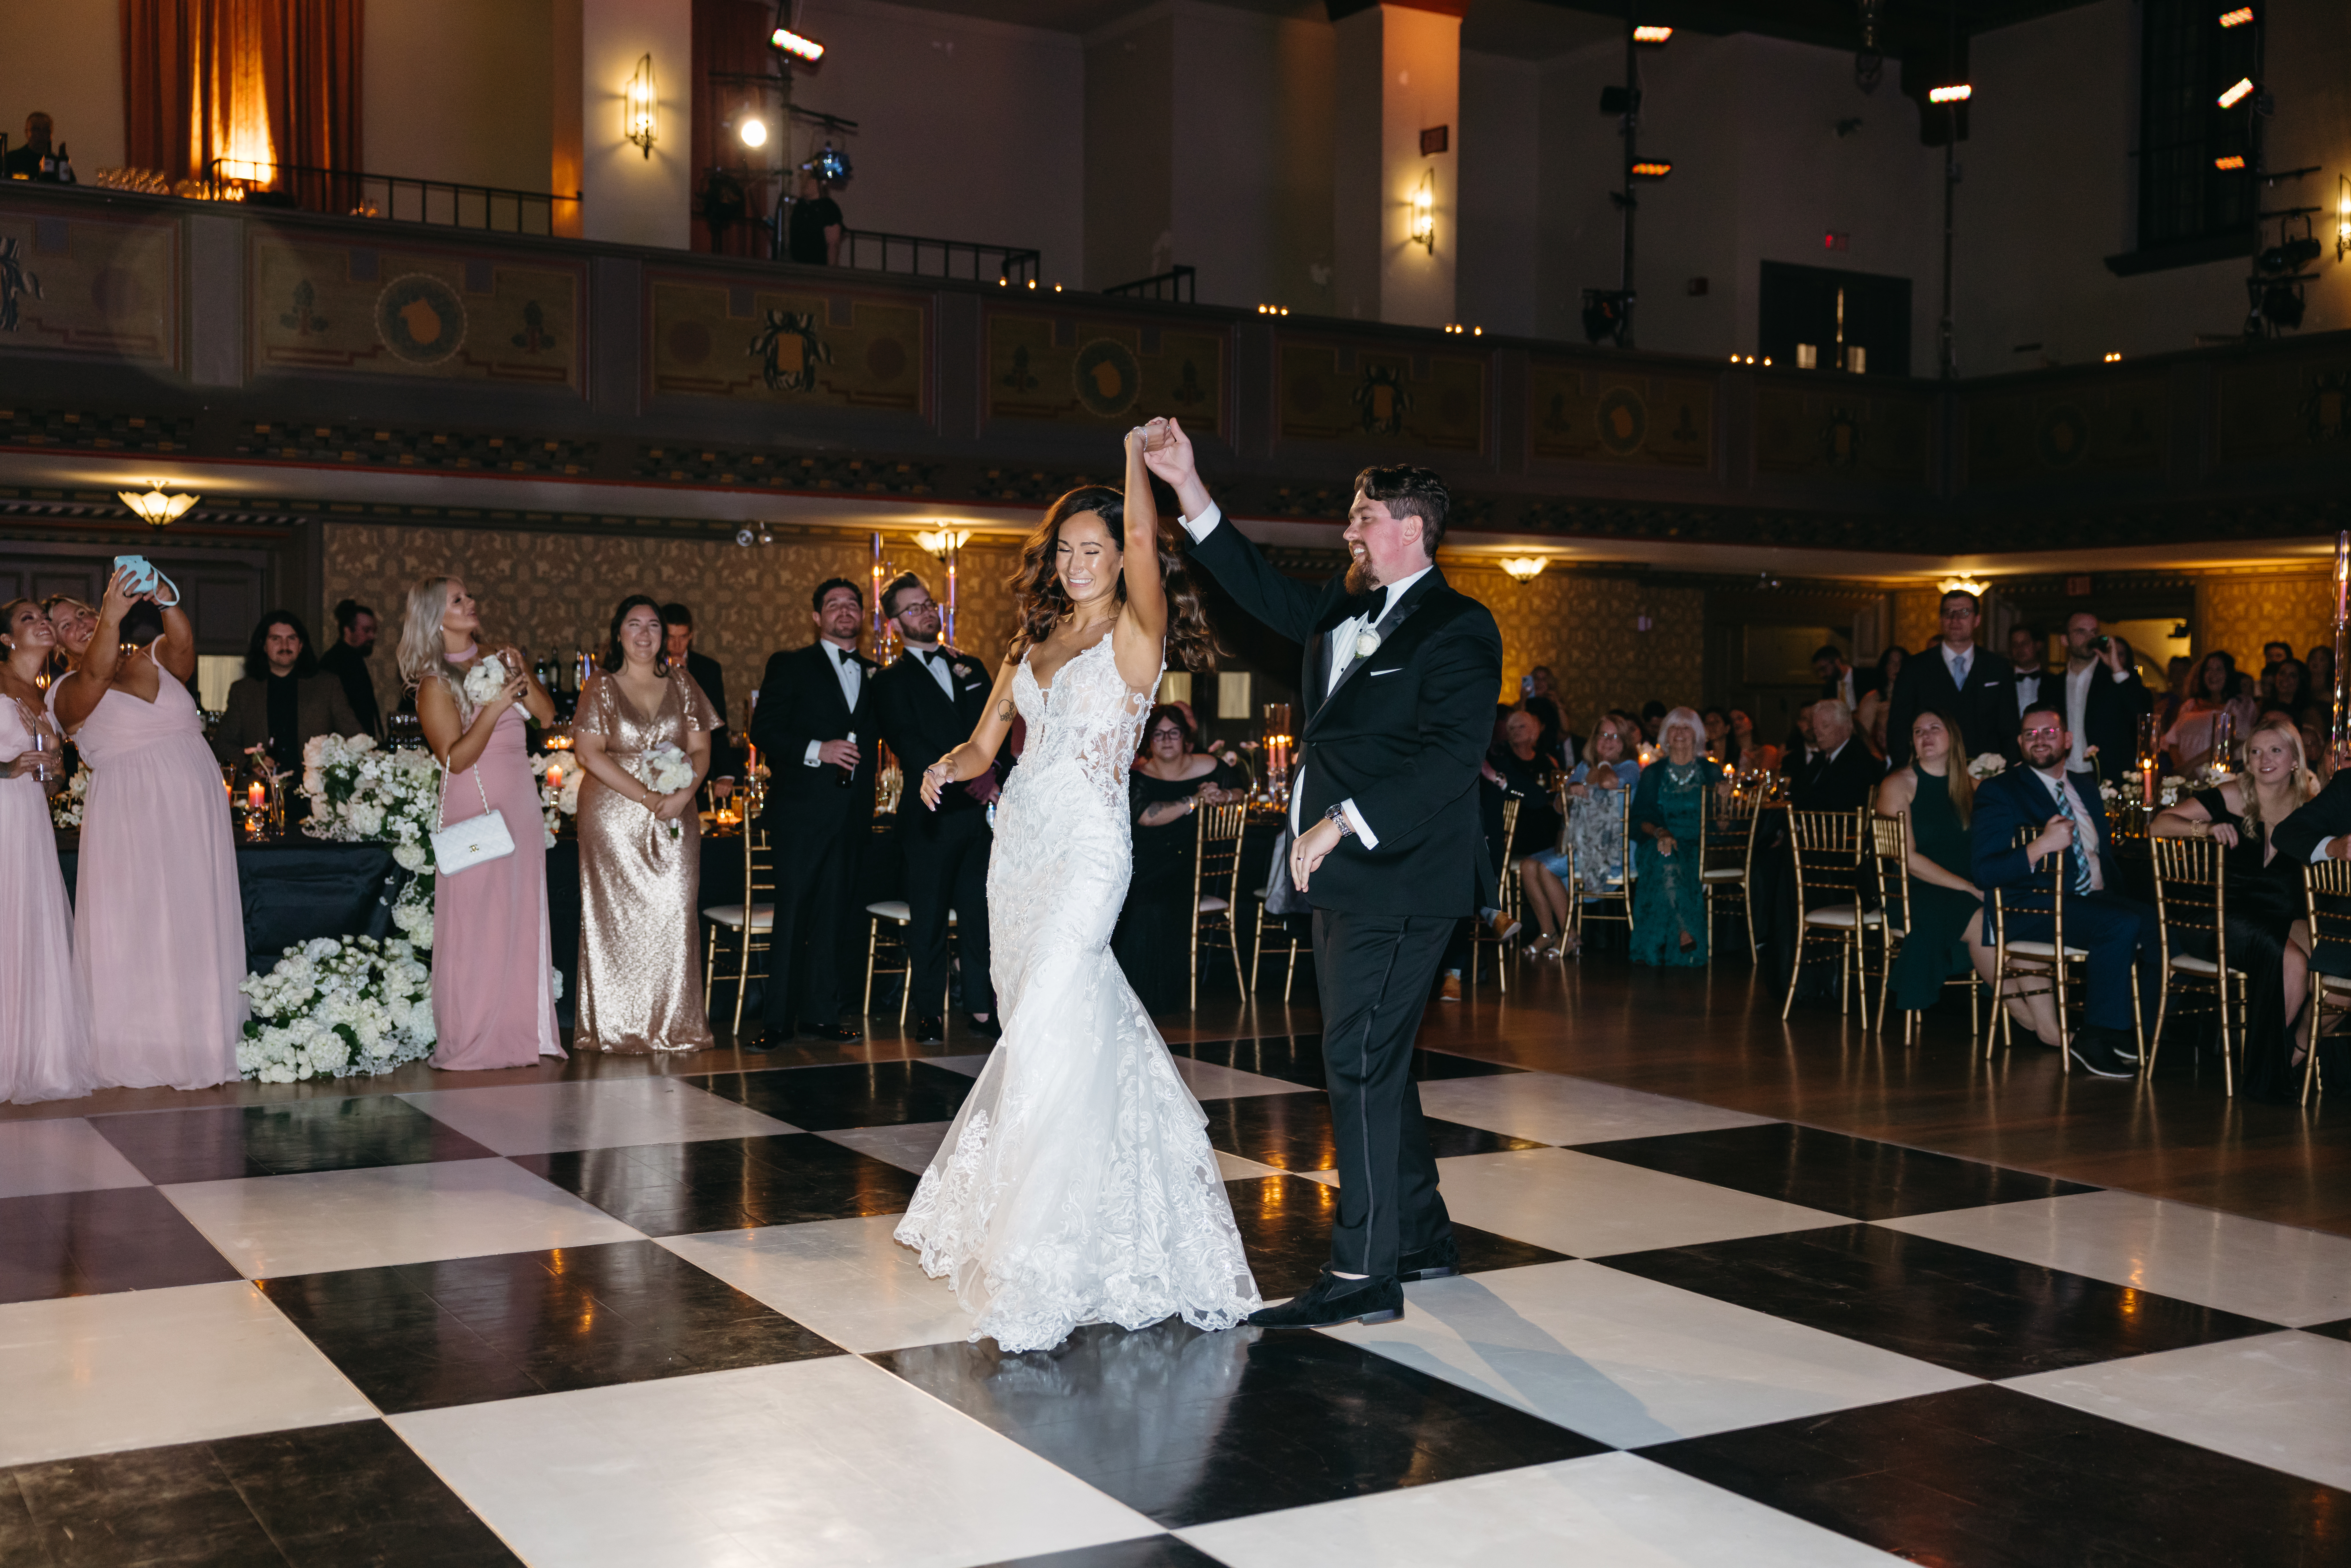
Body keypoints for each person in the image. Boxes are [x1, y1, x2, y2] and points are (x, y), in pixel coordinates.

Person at [895, 426, 1260, 1353]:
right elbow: (986, 743)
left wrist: (1136, 465)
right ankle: (1098, 1228)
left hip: (1092, 850)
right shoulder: (1035, 638)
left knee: (1058, 1013)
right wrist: (944, 766)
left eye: (1094, 547)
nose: (1080, 560)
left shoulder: (1139, 635)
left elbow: (1146, 543)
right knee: (1050, 1029)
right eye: (1066, 548)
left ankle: (1045, 1259)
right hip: (1017, 847)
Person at [1147, 419, 1500, 1332]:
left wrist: (1340, 822)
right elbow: (1253, 579)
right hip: (1344, 876)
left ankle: (1362, 1274)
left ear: (1412, 531)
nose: (1350, 531)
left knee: (1355, 1060)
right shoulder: (1344, 613)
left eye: (1365, 517)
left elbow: (1448, 759)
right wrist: (1189, 485)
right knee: (1375, 1057)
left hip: (1405, 875)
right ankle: (1418, 1236)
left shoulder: (1460, 627)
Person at [51, 567, 246, 1089]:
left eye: (84, 613)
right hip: (131, 814)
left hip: (195, 804)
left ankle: (202, 1039)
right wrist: (110, 618)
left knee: (194, 911)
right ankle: (138, 1046)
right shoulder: (64, 692)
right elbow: (94, 681)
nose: (79, 623)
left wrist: (166, 599)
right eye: (65, 624)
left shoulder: (146, 657)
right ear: (55, 647)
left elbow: (183, 653)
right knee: (139, 919)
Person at [404, 575, 564, 1070]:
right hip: (473, 808)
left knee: (519, 916)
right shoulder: (434, 682)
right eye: (458, 600)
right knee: (478, 923)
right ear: (436, 616)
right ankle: (474, 1033)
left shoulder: (498, 660)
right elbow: (455, 758)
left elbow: (547, 715)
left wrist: (521, 672)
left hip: (519, 804)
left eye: (469, 596)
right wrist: (493, 708)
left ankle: (522, 1030)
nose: (471, 603)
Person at [1970, 704, 2159, 1078]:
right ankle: (2094, 1036)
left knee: (2156, 922)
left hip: (2090, 899)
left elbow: (2100, 852)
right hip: (2031, 908)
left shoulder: (2085, 787)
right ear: (2020, 743)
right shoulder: (2000, 791)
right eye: (2030, 734)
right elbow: (1983, 871)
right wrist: (2040, 846)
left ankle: (2135, 1031)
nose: (2039, 740)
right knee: (2119, 925)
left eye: (2049, 733)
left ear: (2068, 740)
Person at [568, 594, 718, 1055]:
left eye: (653, 626)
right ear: (619, 634)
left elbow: (701, 750)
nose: (645, 634)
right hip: (613, 816)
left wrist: (683, 795)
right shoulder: (602, 687)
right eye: (634, 625)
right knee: (613, 921)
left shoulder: (685, 684)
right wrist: (649, 797)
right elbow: (588, 754)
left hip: (678, 810)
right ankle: (614, 1027)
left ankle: (676, 1026)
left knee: (674, 913)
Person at [2151, 716, 2321, 1102]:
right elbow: (2159, 825)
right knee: (2292, 961)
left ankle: (2290, 1054)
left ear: (2296, 759)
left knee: (2330, 959)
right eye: (2256, 752)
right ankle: (2267, 1073)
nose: (2264, 760)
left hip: (2278, 919)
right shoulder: (2233, 796)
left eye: (2276, 751)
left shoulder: (2311, 810)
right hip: (2217, 918)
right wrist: (2205, 830)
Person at [743, 579, 876, 1049]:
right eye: (833, 604)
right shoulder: (791, 664)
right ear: (817, 617)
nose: (844, 610)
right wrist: (817, 749)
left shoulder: (874, 671)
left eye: (852, 604)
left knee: (835, 916)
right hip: (800, 813)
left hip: (853, 816)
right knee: (794, 913)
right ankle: (776, 1020)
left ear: (862, 616)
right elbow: (764, 729)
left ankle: (822, 1014)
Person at [1873, 709, 2061, 1042]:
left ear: (1953, 739)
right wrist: (1969, 888)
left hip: (1972, 889)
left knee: (2021, 919)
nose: (1925, 736)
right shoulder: (1898, 784)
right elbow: (1908, 860)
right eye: (1918, 731)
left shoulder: (1976, 787)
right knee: (1984, 922)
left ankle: (2038, 1022)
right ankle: (2039, 1024)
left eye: (1934, 728)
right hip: (1915, 892)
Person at [875, 571, 1001, 1040]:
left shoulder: (971, 666)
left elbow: (996, 725)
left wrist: (991, 776)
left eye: (928, 604)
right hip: (930, 811)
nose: (926, 612)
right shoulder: (888, 680)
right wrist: (970, 779)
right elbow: (910, 742)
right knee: (927, 915)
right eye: (913, 608)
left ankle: (982, 1007)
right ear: (894, 624)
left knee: (978, 912)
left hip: (980, 812)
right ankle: (928, 1009)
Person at [0, 599, 94, 1102]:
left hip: (30, 821)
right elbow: (11, 763)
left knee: (28, 926)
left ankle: (29, 1054)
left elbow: (52, 783)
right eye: (27, 618)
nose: (40, 623)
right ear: (6, 638)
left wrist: (54, 765)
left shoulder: (43, 695)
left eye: (44, 617)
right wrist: (5, 768)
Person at [1112, 704, 1248, 1012]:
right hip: (1147, 863)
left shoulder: (1209, 766)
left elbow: (1239, 789)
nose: (1166, 739)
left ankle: (1155, 998)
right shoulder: (1139, 776)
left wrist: (1222, 796)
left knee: (1152, 903)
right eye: (1158, 734)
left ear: (1185, 737)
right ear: (1149, 741)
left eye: (1173, 732)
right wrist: (1194, 801)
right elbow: (1145, 816)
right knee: (1134, 901)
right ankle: (1130, 998)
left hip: (1193, 866)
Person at [1538, 713, 1642, 958]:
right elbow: (1558, 805)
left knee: (1545, 869)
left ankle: (1570, 936)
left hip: (1614, 851)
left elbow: (1609, 783)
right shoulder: (1584, 767)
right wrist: (1570, 795)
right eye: (1603, 735)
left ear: (1625, 742)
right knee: (1531, 868)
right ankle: (1547, 933)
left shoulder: (1631, 767)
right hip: (1583, 843)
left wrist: (1602, 765)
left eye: (1615, 737)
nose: (1608, 741)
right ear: (1594, 739)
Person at [211, 610, 365, 771]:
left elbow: (357, 739)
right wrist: (252, 763)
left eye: (291, 639)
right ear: (264, 645)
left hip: (314, 790)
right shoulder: (243, 692)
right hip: (263, 789)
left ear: (301, 646)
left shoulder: (328, 686)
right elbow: (222, 745)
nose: (285, 646)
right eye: (276, 639)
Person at [1887, 590, 2019, 766]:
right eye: (1949, 613)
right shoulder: (1915, 667)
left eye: (1964, 613)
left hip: (1985, 775)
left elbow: (2009, 728)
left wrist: (2006, 772)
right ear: (1941, 620)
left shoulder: (1998, 668)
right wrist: (1909, 770)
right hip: (1931, 771)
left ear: (1977, 620)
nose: (1955, 619)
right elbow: (1899, 726)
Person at [1629, 707, 1712, 966]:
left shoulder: (1712, 772)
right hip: (1658, 841)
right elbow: (1639, 819)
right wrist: (1660, 832)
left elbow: (1723, 827)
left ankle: (1660, 943)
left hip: (1700, 846)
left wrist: (1723, 803)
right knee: (1664, 856)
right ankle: (1684, 930)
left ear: (1697, 735)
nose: (1679, 733)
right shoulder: (1654, 773)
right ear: (1665, 734)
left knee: (1671, 860)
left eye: (1686, 728)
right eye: (1674, 728)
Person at [2048, 613, 2151, 781]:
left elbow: (2142, 715)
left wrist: (2116, 668)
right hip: (2063, 775)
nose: (2090, 637)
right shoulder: (2052, 685)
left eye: (2094, 632)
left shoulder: (2117, 678)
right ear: (2065, 640)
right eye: (2081, 632)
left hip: (2107, 777)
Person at [660, 603, 730, 772]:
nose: (677, 645)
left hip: (700, 763)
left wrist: (726, 773)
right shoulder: (648, 669)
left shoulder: (708, 669)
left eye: (683, 637)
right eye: (671, 637)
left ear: (691, 635)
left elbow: (718, 723)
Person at [2162, 651, 2257, 774]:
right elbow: (2173, 742)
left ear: (2228, 674)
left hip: (2220, 776)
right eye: (2209, 669)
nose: (2213, 674)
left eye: (2219, 670)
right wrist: (2183, 768)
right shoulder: (2190, 705)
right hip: (2187, 775)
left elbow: (2233, 742)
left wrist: (2192, 765)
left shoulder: (2240, 705)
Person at [1791, 699, 1885, 811]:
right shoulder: (1823, 757)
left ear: (1846, 727)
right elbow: (1799, 790)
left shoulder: (1858, 761)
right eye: (1816, 728)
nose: (1818, 734)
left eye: (1825, 726)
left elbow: (1841, 805)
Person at [317, 599, 383, 740]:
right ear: (348, 630)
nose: (372, 636)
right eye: (366, 630)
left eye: (374, 631)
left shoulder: (354, 658)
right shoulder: (334, 662)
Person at [787, 171, 844, 266]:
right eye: (803, 179)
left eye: (809, 179)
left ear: (819, 182)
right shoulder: (800, 207)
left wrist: (831, 274)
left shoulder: (828, 207)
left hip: (818, 268)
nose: (805, 182)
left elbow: (833, 244)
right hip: (796, 267)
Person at [2, 112, 73, 182]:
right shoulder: (11, 159)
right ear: (27, 132)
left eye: (46, 130)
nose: (41, 134)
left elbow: (73, 190)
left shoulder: (61, 166)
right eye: (36, 129)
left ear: (51, 134)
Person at [2260, 657, 2316, 726]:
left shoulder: (2309, 713)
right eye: (2282, 673)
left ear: (2301, 681)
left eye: (2293, 676)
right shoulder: (2262, 706)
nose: (2286, 678)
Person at [2009, 624, 2048, 715]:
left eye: (2025, 644)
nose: (2019, 649)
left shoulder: (2053, 682)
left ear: (2038, 646)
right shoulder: (2003, 681)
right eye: (2015, 645)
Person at [1728, 708, 1779, 775]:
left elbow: (1763, 777)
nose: (1736, 723)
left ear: (1751, 723)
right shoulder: (1728, 754)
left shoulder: (1768, 751)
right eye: (1732, 721)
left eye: (1740, 718)